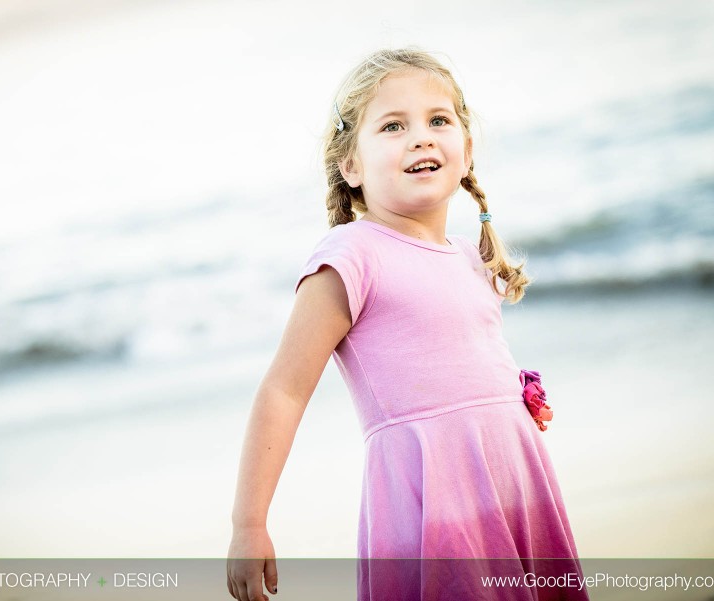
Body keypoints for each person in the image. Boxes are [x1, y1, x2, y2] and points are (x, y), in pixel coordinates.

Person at [227, 47, 588, 601]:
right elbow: (283, 390)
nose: (421, 137)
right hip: (432, 502)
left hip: (512, 485)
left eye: (438, 121)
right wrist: (248, 525)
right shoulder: (350, 255)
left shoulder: (470, 257)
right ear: (350, 166)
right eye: (393, 126)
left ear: (465, 151)